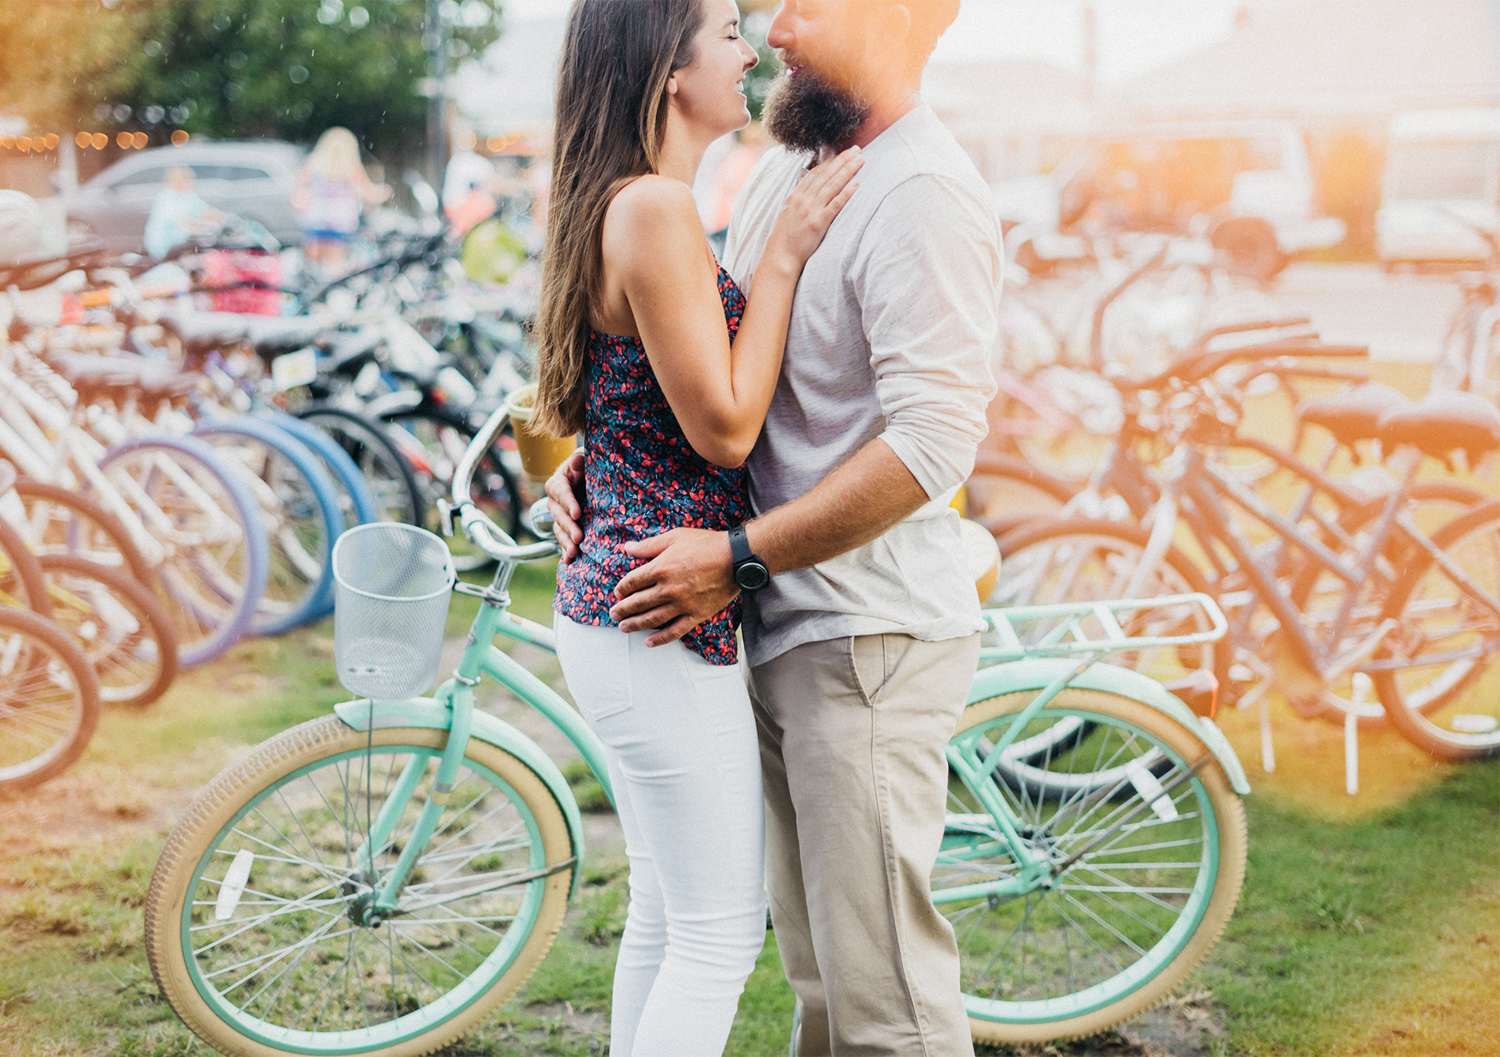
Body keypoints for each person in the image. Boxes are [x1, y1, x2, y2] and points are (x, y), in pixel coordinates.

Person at [547, 1, 1001, 1053]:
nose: (776, 30)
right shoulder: (790, 171)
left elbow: (934, 445)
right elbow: (699, 371)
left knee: (885, 1003)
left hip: (861, 637)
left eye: (807, 5)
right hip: (768, 617)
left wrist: (740, 556)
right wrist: (607, 461)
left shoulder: (920, 192)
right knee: (822, 986)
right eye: (754, 16)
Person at [531, 1, 861, 1054]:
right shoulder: (655, 211)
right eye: (724, 30)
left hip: (618, 607)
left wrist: (585, 467)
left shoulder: (622, 201)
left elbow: (624, 402)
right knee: (719, 931)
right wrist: (784, 261)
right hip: (657, 615)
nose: (751, 47)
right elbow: (722, 428)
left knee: (669, 918)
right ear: (669, 70)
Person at [291, 127, 389, 274]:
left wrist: (301, 202)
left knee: (313, 267)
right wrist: (385, 192)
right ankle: (330, 294)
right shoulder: (351, 167)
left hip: (316, 220)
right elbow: (367, 193)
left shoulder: (312, 164)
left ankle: (315, 293)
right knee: (335, 267)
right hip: (340, 223)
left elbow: (298, 191)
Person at [143, 167, 223, 259]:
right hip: (164, 247)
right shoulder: (166, 198)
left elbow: (205, 210)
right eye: (187, 180)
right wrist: (202, 224)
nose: (190, 184)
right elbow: (182, 220)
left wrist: (225, 218)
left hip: (179, 243)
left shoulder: (187, 195)